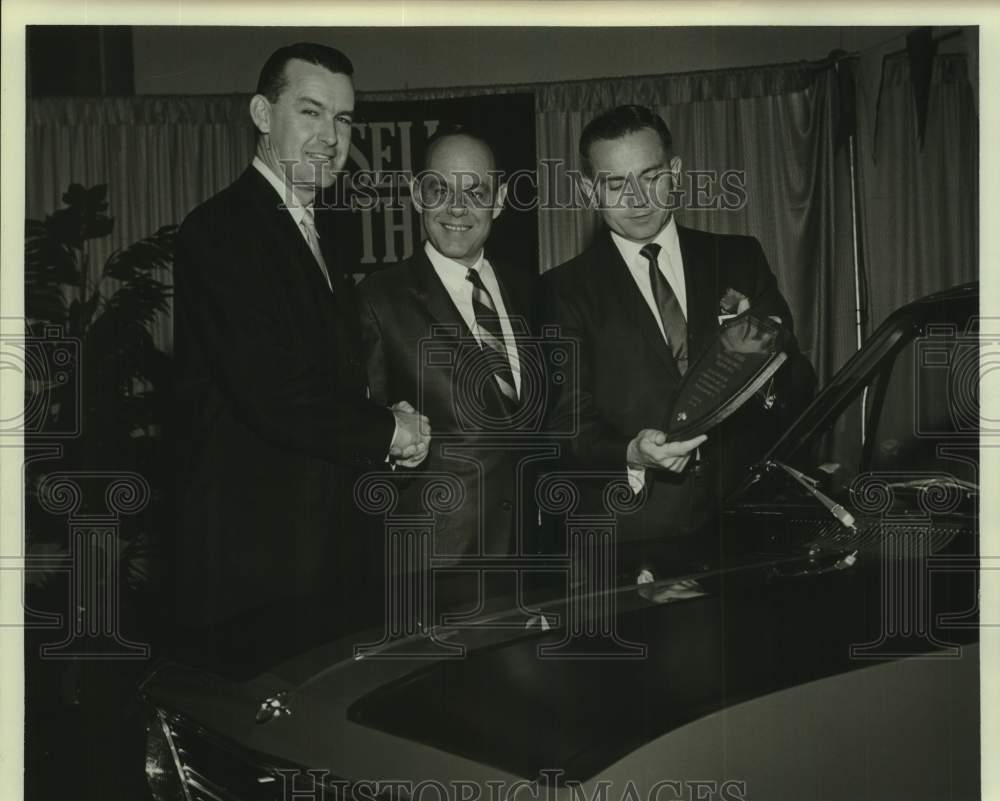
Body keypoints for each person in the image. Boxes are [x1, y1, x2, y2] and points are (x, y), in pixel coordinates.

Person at [171, 43, 430, 651]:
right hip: (253, 563)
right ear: (262, 114)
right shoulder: (223, 229)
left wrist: (384, 426)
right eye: (311, 112)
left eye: (343, 119)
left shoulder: (316, 229)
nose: (330, 137)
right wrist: (386, 431)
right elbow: (272, 391)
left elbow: (328, 376)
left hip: (315, 550)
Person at [540, 104, 814, 579]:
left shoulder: (739, 258)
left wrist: (762, 371)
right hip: (632, 540)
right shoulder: (560, 291)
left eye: (650, 176)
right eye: (615, 183)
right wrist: (632, 452)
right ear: (589, 191)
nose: (637, 198)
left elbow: (800, 382)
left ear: (676, 173)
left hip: (746, 526)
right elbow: (567, 424)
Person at [357, 126, 542, 590]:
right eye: (440, 188)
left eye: (475, 191)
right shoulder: (379, 299)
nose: (457, 207)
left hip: (533, 562)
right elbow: (357, 439)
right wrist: (392, 447)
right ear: (419, 195)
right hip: (429, 570)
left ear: (499, 201)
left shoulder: (534, 291)